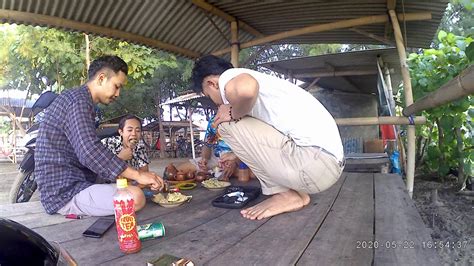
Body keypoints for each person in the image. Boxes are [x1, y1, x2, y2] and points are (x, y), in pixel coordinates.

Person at [191, 55, 344, 220]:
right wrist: (235, 154)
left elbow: (246, 88)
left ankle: (284, 195)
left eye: (208, 96)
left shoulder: (229, 79)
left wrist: (231, 112)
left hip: (312, 165)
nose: (214, 102)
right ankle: (296, 194)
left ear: (211, 84)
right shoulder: (266, 86)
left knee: (223, 122)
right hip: (323, 166)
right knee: (230, 119)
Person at [35, 55, 163, 216]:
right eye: (116, 86)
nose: (118, 94)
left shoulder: (80, 100)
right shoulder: (78, 102)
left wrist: (136, 177)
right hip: (64, 192)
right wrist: (138, 174)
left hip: (78, 183)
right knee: (135, 197)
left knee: (132, 186)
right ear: (101, 78)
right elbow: (89, 151)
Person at [175, 115, 237, 181]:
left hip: (238, 157)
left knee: (242, 172)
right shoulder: (214, 120)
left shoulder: (241, 118)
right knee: (178, 170)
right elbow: (207, 144)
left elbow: (248, 150)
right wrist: (205, 159)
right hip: (217, 158)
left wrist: (235, 161)